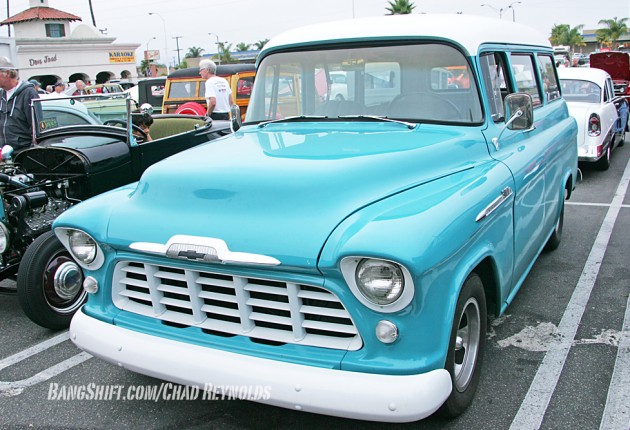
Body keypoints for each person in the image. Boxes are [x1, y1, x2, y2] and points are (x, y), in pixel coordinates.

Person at [0, 56, 40, 153]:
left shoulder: (28, 93)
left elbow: (36, 127)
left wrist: (31, 151)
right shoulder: (1, 94)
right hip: (4, 153)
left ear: (7, 73)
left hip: (23, 152)